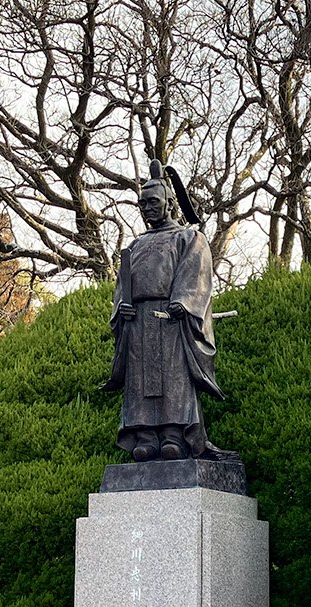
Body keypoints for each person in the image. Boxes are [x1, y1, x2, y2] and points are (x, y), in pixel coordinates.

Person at [102, 160, 226, 461]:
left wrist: (182, 302)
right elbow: (121, 287)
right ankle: (145, 436)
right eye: (142, 204)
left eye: (153, 202)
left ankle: (174, 434)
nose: (147, 209)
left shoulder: (188, 237)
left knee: (173, 377)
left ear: (169, 203)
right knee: (139, 381)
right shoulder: (134, 246)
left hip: (171, 320)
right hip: (139, 322)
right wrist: (122, 309)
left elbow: (196, 275)